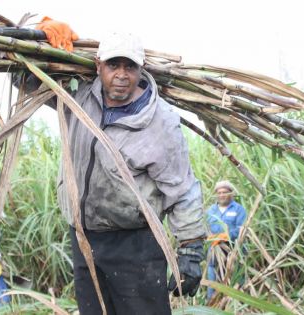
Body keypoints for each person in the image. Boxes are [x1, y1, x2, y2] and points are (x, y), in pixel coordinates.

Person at [18, 18, 207, 315]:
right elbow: (25, 79)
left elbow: (181, 190)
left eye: (129, 67)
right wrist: (39, 35)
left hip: (135, 246)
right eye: (113, 65)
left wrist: (191, 248)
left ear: (140, 69)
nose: (121, 75)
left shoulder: (160, 122)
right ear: (98, 65)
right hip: (84, 239)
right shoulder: (77, 97)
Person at [205, 180, 246, 300]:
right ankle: (211, 301)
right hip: (214, 249)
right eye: (219, 192)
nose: (222, 195)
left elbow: (241, 229)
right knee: (212, 274)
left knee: (237, 274)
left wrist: (224, 236)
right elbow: (205, 227)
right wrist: (211, 237)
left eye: (225, 192)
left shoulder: (238, 210)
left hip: (233, 248)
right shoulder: (211, 210)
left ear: (231, 194)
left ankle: (238, 302)